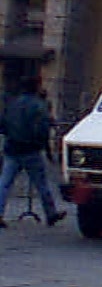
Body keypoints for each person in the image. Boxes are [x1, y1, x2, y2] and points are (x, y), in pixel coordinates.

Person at [0, 76, 66, 228]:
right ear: (36, 87)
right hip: (30, 150)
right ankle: (50, 213)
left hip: (12, 147)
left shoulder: (12, 103)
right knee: (42, 184)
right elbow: (42, 129)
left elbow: (2, 123)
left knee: (4, 183)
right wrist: (44, 146)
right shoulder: (38, 105)